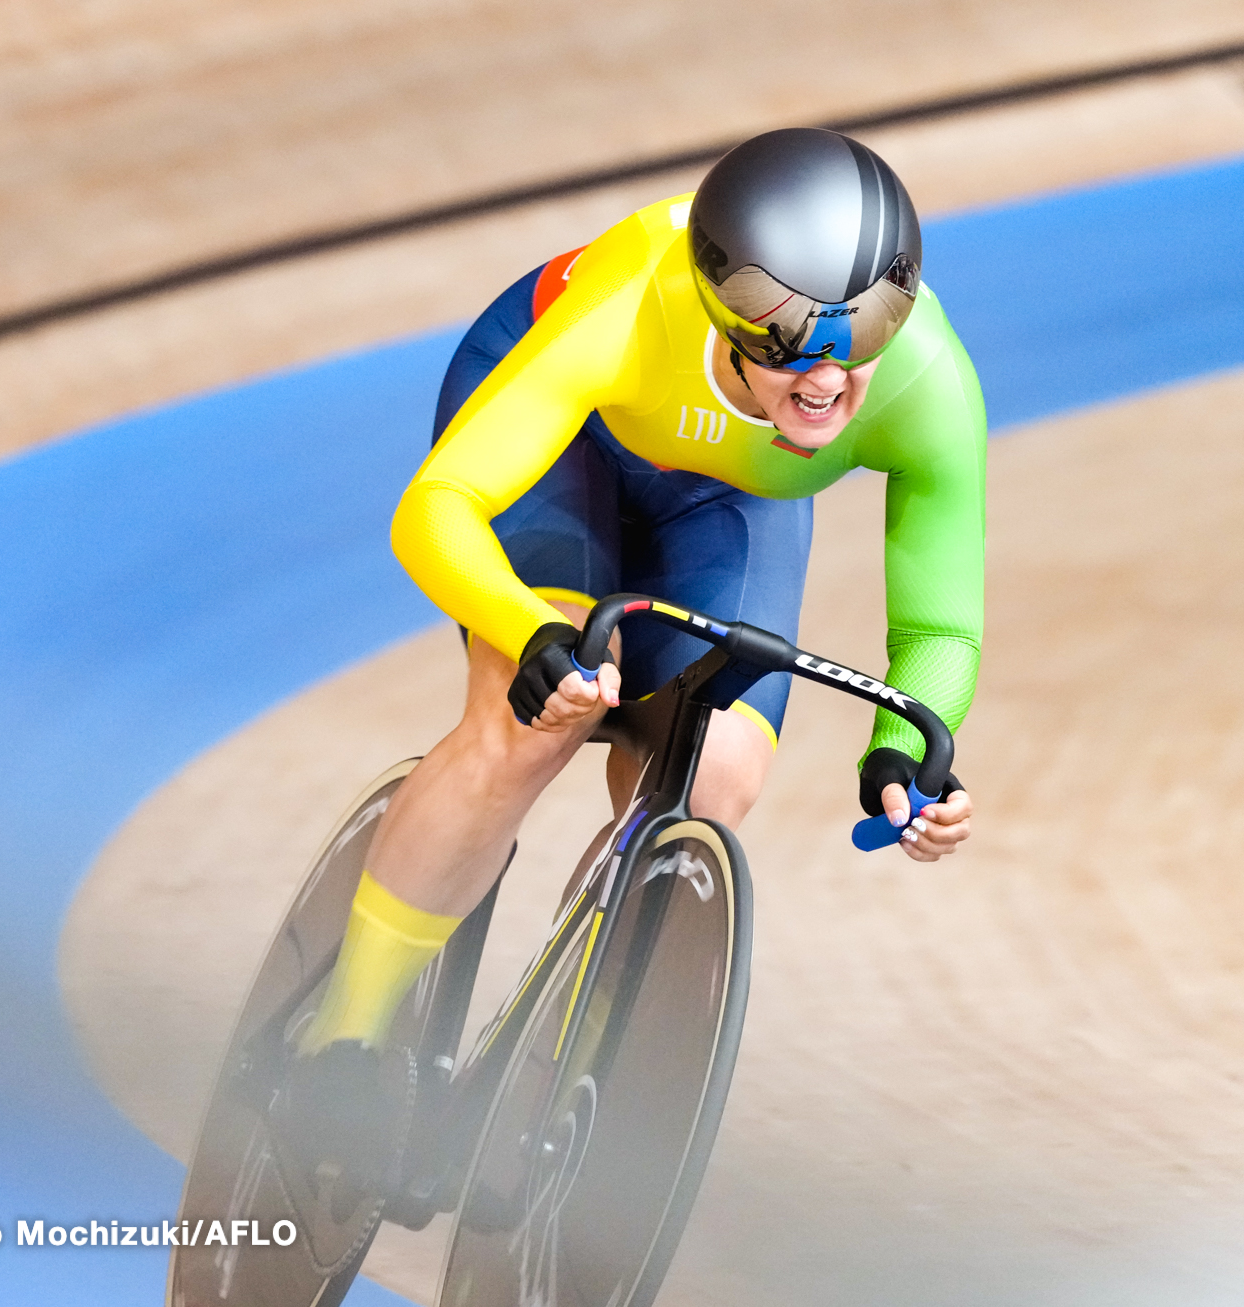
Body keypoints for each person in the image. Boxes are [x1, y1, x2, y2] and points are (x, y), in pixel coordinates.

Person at [272, 127, 986, 1186]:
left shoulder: (925, 381)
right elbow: (439, 508)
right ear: (719, 307)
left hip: (725, 497)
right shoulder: (626, 312)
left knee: (717, 776)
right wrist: (528, 631)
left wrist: (902, 752)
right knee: (530, 726)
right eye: (787, 335)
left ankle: (562, 1055)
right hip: (566, 442)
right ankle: (347, 1034)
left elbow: (937, 631)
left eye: (866, 325)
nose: (828, 376)